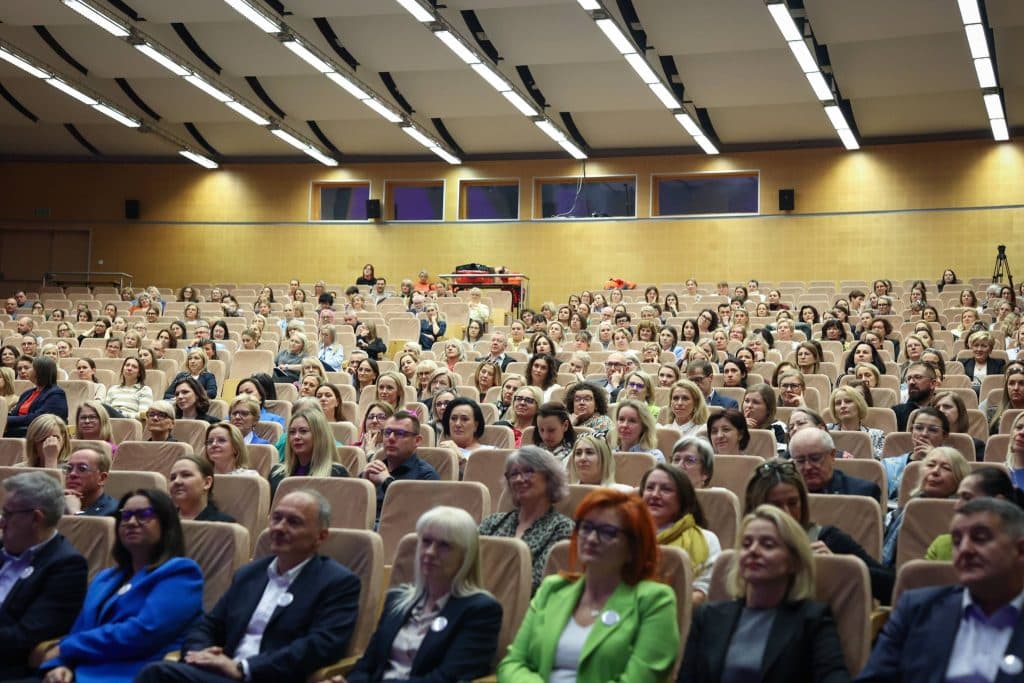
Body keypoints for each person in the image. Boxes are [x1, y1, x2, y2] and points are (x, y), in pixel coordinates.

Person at [136, 489, 362, 683]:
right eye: (276, 518)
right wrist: (201, 652)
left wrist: (244, 667)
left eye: (293, 522)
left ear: (321, 537)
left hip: (271, 677)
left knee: (157, 674)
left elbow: (321, 646)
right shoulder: (249, 574)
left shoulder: (338, 582)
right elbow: (209, 624)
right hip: (223, 674)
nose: (280, 527)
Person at [498, 489, 680, 682]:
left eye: (608, 532)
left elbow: (640, 678)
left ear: (633, 549)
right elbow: (512, 664)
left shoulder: (655, 601)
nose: (591, 538)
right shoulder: (553, 589)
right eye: (586, 527)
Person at [37, 489, 204, 683]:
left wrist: (66, 647)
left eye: (144, 515)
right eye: (126, 515)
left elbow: (142, 633)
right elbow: (81, 629)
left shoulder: (180, 574)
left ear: (166, 525)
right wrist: (60, 665)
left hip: (132, 675)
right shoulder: (105, 578)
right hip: (78, 674)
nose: (132, 522)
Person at [678, 504, 850, 683]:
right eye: (746, 544)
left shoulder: (813, 620)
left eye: (767, 545)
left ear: (794, 562)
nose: (753, 550)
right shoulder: (707, 617)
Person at [859, 498, 1024, 682]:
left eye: (980, 538)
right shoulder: (917, 609)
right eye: (957, 541)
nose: (964, 549)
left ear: (1020, 550)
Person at [345, 506, 502, 683]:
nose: (430, 552)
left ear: (465, 557)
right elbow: (367, 665)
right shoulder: (397, 600)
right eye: (426, 542)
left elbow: (446, 679)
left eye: (444, 545)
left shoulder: (480, 610)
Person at [745, 459, 894, 604]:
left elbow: (892, 587)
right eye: (775, 506)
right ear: (756, 507)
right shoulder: (746, 548)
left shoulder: (828, 539)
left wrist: (841, 567)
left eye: (793, 503)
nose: (787, 514)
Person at [0, 472, 88, 680]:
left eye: (8, 515)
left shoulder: (67, 567)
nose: (2, 523)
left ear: (36, 518)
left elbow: (24, 639)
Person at [479, 447, 573, 593]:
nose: (519, 479)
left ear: (549, 477)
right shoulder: (491, 523)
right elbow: (468, 567)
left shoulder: (562, 529)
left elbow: (538, 582)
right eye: (513, 474)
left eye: (528, 471)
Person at [641, 463, 720, 604]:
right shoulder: (625, 536)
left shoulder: (707, 539)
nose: (655, 494)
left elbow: (703, 595)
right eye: (650, 488)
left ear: (683, 498)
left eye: (666, 489)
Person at [882, 446, 971, 567]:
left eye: (946, 468)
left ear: (959, 478)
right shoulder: (899, 514)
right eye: (930, 465)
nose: (935, 471)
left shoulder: (968, 516)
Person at [359, 411, 439, 524]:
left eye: (400, 433)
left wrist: (387, 481)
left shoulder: (426, 475)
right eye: (387, 432)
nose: (391, 438)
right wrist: (363, 485)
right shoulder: (373, 470)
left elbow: (419, 518)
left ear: (417, 440)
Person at [926, 467, 1021, 560]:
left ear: (999, 503)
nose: (957, 507)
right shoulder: (942, 546)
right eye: (958, 498)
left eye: (967, 497)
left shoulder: (1018, 549)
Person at [269, 409, 349, 498]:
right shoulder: (276, 474)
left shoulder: (336, 473)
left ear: (320, 435)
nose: (296, 437)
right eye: (292, 432)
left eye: (303, 431)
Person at [790, 429, 882, 503]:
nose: (808, 467)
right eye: (800, 460)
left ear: (832, 455)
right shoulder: (786, 494)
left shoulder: (863, 493)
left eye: (815, 458)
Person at [883, 407, 949, 505]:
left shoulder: (952, 467)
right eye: (918, 428)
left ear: (944, 436)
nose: (924, 434)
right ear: (911, 431)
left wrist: (934, 456)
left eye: (933, 430)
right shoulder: (888, 465)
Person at [4, 357, 67, 438]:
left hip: (36, 434)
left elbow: (38, 418)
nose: (27, 371)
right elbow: (14, 414)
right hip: (17, 430)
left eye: (30, 368)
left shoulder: (56, 394)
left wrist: (6, 419)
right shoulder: (27, 393)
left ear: (40, 372)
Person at [169, 455, 236, 523]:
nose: (176, 481)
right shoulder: (162, 520)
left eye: (186, 475)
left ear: (207, 483)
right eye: (173, 478)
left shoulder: (224, 524)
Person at [826, 386, 884, 459]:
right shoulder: (826, 431)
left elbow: (883, 463)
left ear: (859, 405)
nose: (842, 406)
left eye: (848, 401)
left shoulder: (876, 435)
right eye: (838, 403)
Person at [62, 447, 118, 516]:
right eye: (69, 468)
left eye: (82, 469)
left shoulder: (113, 512)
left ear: (102, 478)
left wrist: (75, 513)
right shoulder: (55, 505)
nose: (72, 474)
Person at [438, 396, 487, 467]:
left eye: (464, 419)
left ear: (475, 425)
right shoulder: (441, 451)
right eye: (453, 418)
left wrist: (461, 460)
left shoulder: (490, 452)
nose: (457, 424)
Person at [892, 361, 938, 432]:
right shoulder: (896, 412)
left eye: (918, 377)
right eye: (909, 378)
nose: (911, 382)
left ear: (932, 384)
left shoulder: (943, 409)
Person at [105, 356, 153, 420]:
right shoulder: (113, 389)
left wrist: (121, 414)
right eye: (127, 365)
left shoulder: (145, 390)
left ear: (139, 373)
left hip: (129, 424)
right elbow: (104, 412)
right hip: (110, 423)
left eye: (134, 367)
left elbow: (143, 415)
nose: (129, 368)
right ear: (123, 369)